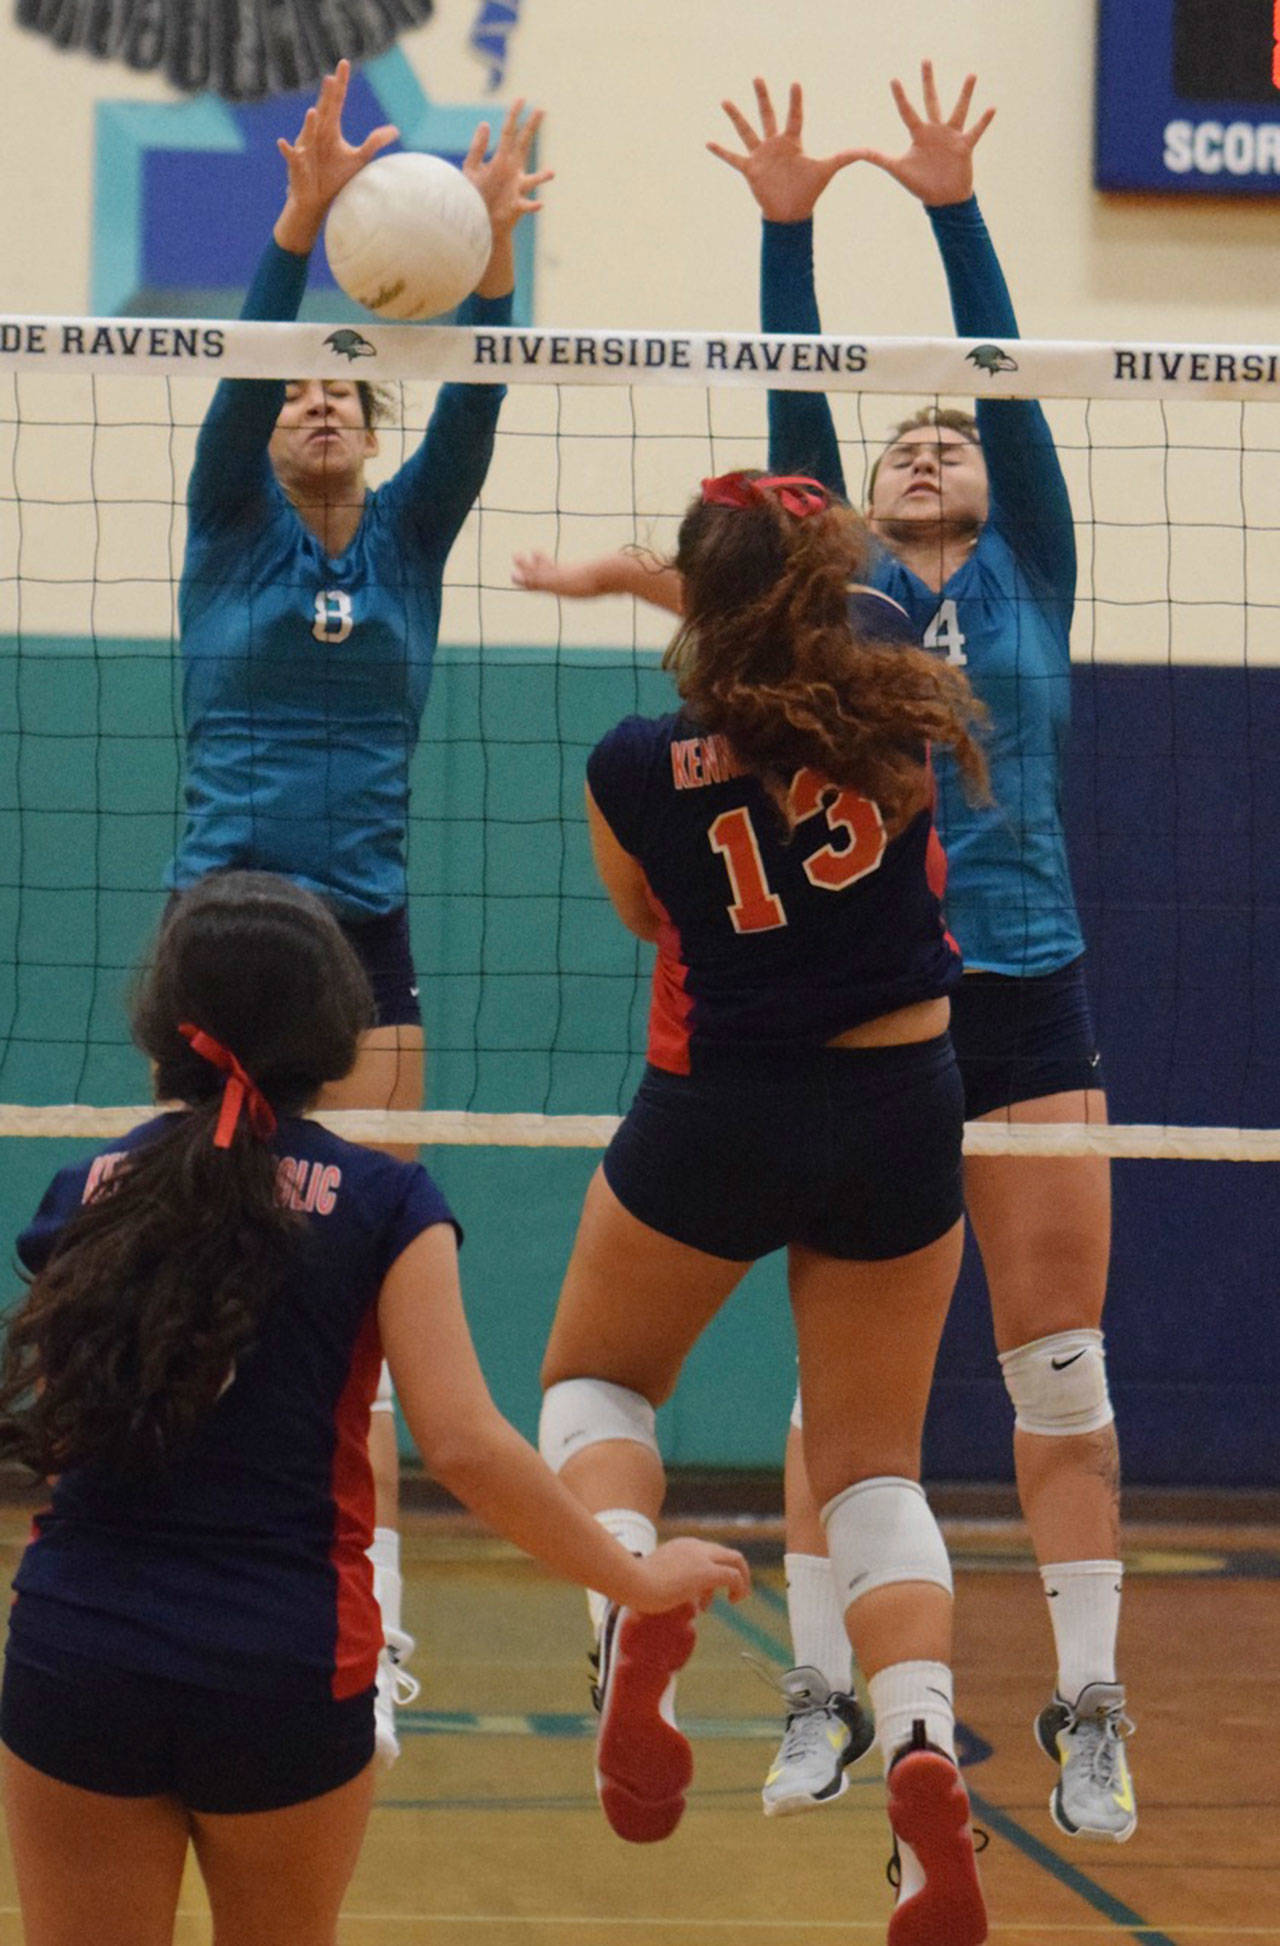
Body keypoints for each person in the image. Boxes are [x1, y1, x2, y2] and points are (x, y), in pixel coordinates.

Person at [515, 63, 1135, 1847]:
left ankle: (1085, 1707)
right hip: (901, 1031)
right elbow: (781, 467)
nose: (930, 444)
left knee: (1055, 1369)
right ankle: (833, 1705)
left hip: (1019, 998)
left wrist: (952, 208)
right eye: (897, 443)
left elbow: (997, 408)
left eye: (953, 435)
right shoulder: (849, 621)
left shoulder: (1025, 576)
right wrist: (789, 235)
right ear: (841, 521)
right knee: (847, 1413)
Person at [0, 872, 749, 1946]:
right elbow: (461, 1442)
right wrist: (631, 1578)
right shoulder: (387, 1201)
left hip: (81, 1655)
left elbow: (66, 1431)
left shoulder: (84, 1192)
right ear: (336, 1032)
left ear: (164, 1021)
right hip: (284, 1666)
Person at [535, 469, 991, 1944]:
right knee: (871, 1469)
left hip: (722, 1108)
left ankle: (624, 1620)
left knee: (598, 1379)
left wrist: (626, 590)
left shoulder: (630, 761)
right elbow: (803, 628)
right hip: (901, 1104)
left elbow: (640, 917)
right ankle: (922, 1746)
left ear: (700, 588)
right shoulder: (906, 705)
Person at [174, 59, 551, 1759]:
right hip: (230, 932)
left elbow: (473, 403)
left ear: (375, 428)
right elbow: (250, 364)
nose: (323, 403)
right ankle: (203, 1579)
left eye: (347, 392)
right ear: (266, 432)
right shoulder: (229, 530)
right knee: (220, 1271)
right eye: (298, 395)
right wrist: (298, 231)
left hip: (370, 944)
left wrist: (497, 261)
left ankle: (371, 1624)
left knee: (363, 1287)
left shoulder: (405, 547)